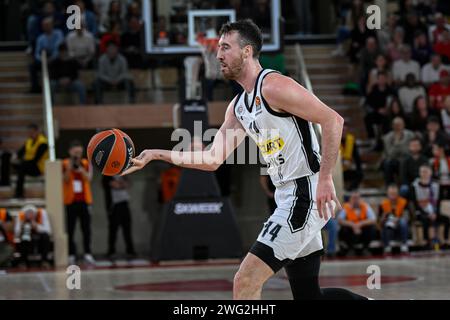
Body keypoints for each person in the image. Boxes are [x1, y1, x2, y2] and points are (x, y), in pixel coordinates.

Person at [121, 19, 368, 300]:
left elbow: (333, 120)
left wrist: (325, 179)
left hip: (305, 194)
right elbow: (213, 159)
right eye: (218, 49)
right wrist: (155, 154)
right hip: (286, 195)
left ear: (247, 52)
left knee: (245, 281)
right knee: (310, 296)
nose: (218, 54)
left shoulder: (274, 86)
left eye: (225, 47)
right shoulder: (238, 106)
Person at [62, 140, 95, 265]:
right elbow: (64, 179)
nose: (77, 155)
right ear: (70, 152)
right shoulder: (65, 163)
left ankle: (87, 253)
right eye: (75, 152)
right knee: (71, 229)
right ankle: (71, 254)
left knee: (86, 229)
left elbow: (89, 178)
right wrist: (70, 167)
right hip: (71, 201)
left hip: (84, 201)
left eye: (79, 153)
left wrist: (80, 169)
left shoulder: (86, 163)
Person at [102, 175, 136, 260]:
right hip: (114, 206)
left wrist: (121, 183)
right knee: (113, 229)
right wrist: (121, 184)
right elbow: (115, 185)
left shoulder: (124, 173)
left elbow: (128, 184)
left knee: (127, 228)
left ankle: (130, 250)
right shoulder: (107, 175)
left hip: (124, 204)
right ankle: (111, 251)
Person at [13, 124, 48, 199]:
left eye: (32, 132)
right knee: (15, 163)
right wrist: (15, 156)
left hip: (38, 168)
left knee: (22, 166)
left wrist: (23, 162)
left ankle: (19, 193)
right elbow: (21, 152)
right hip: (28, 165)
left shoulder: (43, 143)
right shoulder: (29, 141)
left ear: (37, 131)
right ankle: (6, 184)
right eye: (29, 133)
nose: (30, 134)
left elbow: (36, 159)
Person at [337, 191, 377, 256]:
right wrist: (352, 225)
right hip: (351, 231)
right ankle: (350, 249)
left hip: (362, 231)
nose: (356, 200)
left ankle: (365, 249)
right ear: (350, 199)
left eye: (357, 198)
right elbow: (339, 220)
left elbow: (373, 219)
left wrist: (360, 224)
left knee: (372, 228)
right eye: (354, 198)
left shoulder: (365, 206)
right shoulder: (346, 207)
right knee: (344, 229)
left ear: (360, 199)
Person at [379, 184, 410, 253]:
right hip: (388, 225)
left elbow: (407, 216)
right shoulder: (383, 203)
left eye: (394, 193)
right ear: (388, 194)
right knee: (386, 224)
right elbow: (380, 221)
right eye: (391, 193)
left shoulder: (403, 202)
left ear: (398, 193)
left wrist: (397, 219)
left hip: (400, 224)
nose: (393, 195)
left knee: (403, 222)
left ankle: (404, 244)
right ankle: (387, 245)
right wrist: (384, 218)